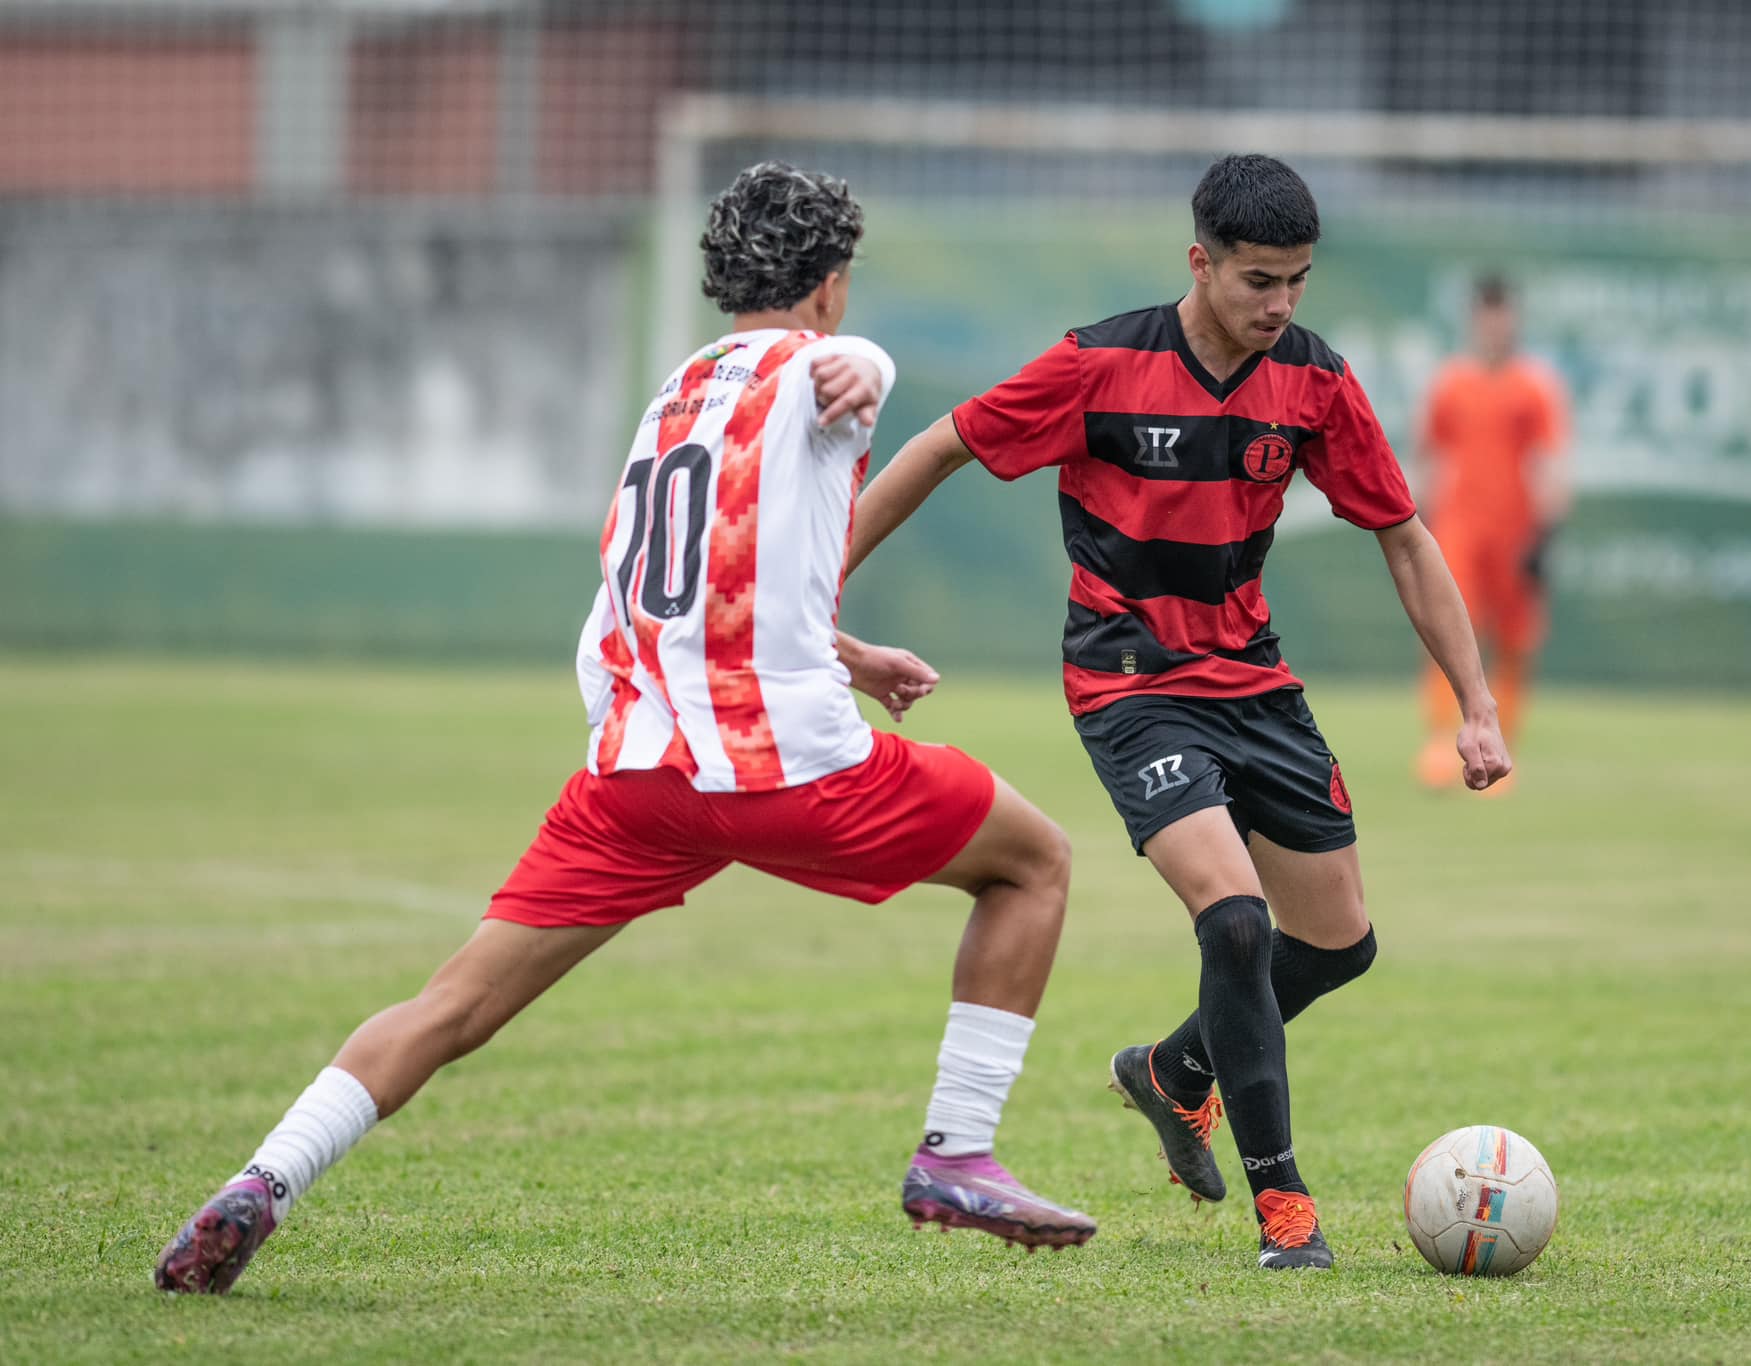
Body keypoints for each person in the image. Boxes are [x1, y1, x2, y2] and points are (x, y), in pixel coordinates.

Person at [154, 162, 1095, 1296]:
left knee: (451, 1005)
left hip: (634, 775)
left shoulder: (673, 397)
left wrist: (843, 652)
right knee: (1034, 861)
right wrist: (866, 363)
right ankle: (956, 1152)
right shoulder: (827, 366)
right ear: (834, 285)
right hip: (781, 766)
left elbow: (662, 589)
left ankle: (265, 1178)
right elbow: (851, 378)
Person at [845, 154, 1510, 1271]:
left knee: (1338, 943)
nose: (1280, 305)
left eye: (1297, 280)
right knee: (1237, 922)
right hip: (1127, 676)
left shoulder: (1312, 380)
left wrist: (1475, 704)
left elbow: (1400, 533)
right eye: (1258, 280)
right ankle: (1282, 1205)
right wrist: (820, 585)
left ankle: (1172, 1070)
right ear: (1197, 262)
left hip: (1251, 676)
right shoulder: (1097, 364)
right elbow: (939, 447)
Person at [1413, 274, 1571, 792]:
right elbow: (1430, 455)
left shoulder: (1536, 386)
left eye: (1503, 314)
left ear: (1514, 318)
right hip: (1459, 527)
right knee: (1449, 631)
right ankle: (1442, 740)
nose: (1495, 325)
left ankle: (1502, 746)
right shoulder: (1450, 383)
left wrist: (1546, 533)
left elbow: (1550, 461)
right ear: (1475, 319)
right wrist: (1422, 526)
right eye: (1487, 314)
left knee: (1514, 639)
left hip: (1515, 530)